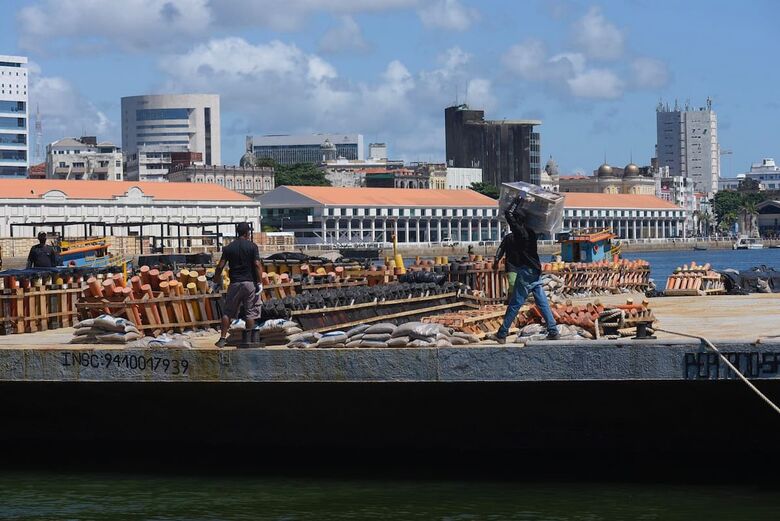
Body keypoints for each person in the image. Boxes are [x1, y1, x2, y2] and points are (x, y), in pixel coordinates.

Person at [492, 204, 559, 343]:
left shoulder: (521, 233)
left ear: (518, 221)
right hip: (535, 270)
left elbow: (508, 214)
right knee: (542, 302)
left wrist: (517, 200)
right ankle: (553, 330)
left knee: (515, 303)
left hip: (526, 271)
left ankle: (502, 334)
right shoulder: (531, 233)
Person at [213, 223, 263, 348]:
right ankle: (249, 340)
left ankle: (223, 339)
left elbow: (220, 266)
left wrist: (216, 281)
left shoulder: (229, 248)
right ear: (247, 233)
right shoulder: (252, 246)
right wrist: (260, 282)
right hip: (249, 283)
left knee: (228, 312)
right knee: (250, 313)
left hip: (235, 283)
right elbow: (257, 264)